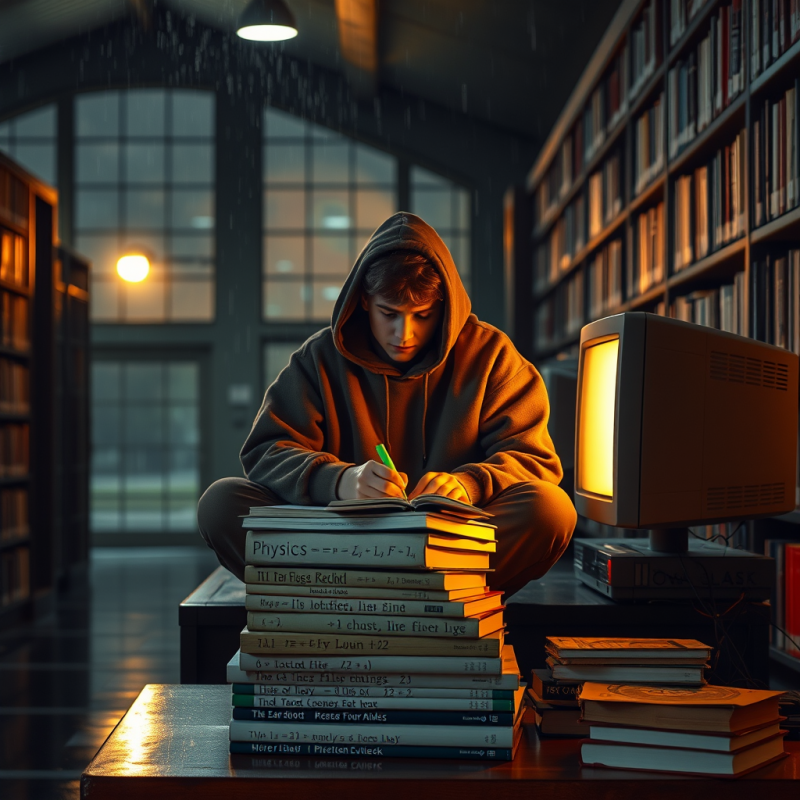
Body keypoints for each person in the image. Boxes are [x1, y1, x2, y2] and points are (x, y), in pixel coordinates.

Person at [198, 212, 576, 595]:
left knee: (551, 510)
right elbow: (266, 452)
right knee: (220, 503)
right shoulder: (320, 357)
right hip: (340, 543)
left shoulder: (492, 356)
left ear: (443, 306)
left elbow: (534, 461)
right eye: (388, 314)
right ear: (364, 299)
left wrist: (470, 484)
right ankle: (409, 598)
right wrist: (340, 481)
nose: (404, 334)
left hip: (450, 547)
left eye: (423, 316)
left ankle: (364, 599)